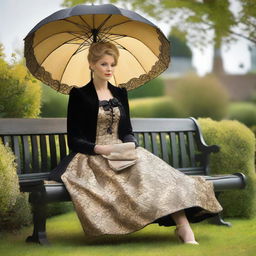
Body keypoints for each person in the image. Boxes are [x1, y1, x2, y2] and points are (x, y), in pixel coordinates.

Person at [48, 41, 223, 245]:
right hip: (93, 157)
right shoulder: (79, 95)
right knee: (130, 184)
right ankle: (182, 229)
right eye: (104, 64)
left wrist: (130, 143)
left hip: (123, 152)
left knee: (163, 177)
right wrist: (100, 148)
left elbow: (127, 131)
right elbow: (74, 140)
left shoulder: (120, 93)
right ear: (91, 64)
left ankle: (184, 228)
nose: (109, 69)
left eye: (112, 64)